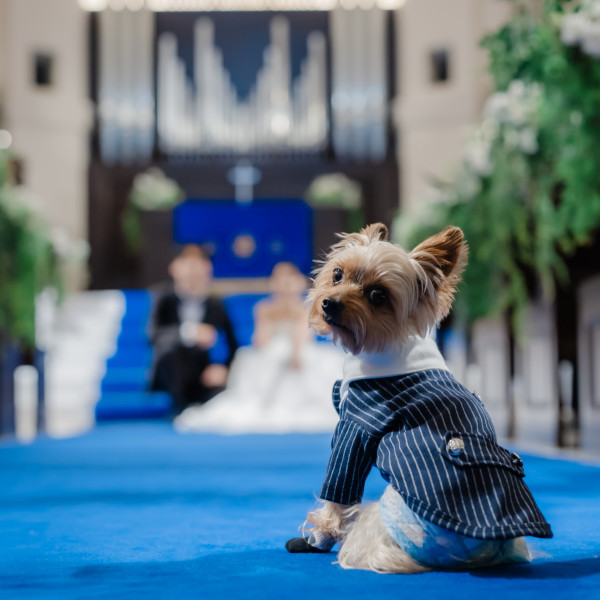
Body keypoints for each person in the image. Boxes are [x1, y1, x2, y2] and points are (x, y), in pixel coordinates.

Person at [174, 262, 345, 434]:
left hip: (298, 353)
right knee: (270, 355)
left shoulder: (304, 308)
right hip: (271, 353)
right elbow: (261, 341)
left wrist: (295, 351)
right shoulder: (264, 308)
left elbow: (303, 337)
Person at [149, 245, 238, 415]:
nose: (193, 272)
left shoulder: (216, 304)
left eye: (198, 266)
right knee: (170, 350)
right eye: (188, 266)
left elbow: (232, 344)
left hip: (204, 373)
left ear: (208, 270)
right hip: (173, 373)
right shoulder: (163, 298)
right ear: (175, 268)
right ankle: (181, 408)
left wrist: (222, 367)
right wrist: (189, 332)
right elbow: (153, 335)